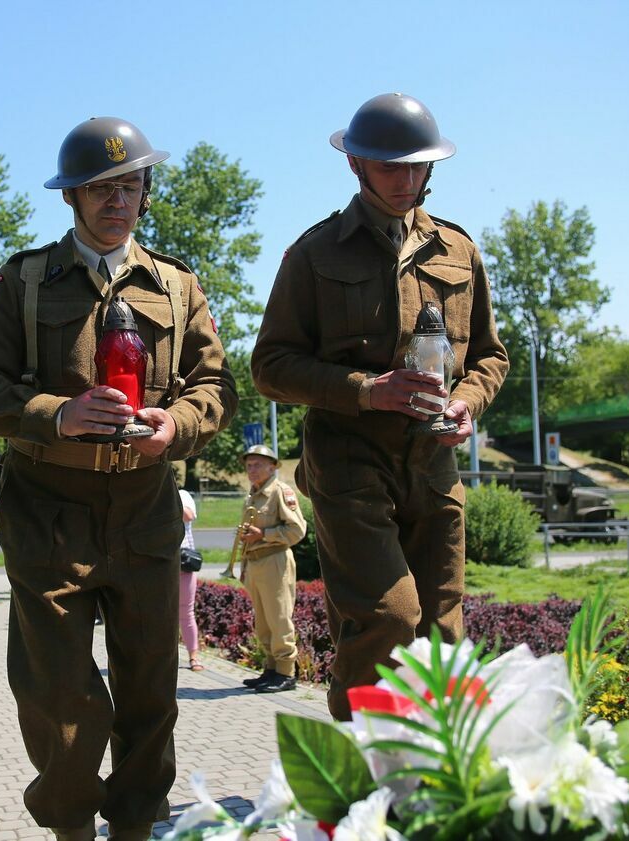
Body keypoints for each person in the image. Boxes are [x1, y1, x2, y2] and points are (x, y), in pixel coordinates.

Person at [0, 116, 236, 841]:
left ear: (146, 192)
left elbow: (216, 388)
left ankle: (138, 827)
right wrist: (56, 412)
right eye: (103, 188)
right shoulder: (25, 281)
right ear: (72, 196)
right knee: (61, 697)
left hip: (144, 511)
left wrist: (178, 426)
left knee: (151, 695)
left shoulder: (177, 287)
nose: (120, 200)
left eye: (131, 185)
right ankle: (72, 826)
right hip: (50, 515)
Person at [251, 93, 509, 721]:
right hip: (347, 462)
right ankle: (360, 776)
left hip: (433, 463)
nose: (406, 179)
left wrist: (468, 404)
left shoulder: (458, 250)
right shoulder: (314, 254)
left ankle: (430, 790)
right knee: (390, 617)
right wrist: (368, 390)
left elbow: (489, 357)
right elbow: (271, 366)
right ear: (357, 166)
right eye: (390, 166)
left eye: (417, 166)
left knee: (443, 637)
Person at [234, 445, 307, 694]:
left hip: (275, 561)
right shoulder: (252, 496)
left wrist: (264, 534)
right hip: (255, 563)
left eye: (257, 464)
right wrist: (244, 565)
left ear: (272, 466)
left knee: (279, 618)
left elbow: (297, 531)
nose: (251, 470)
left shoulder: (280, 492)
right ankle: (270, 669)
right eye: (249, 465)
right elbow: (247, 536)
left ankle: (286, 672)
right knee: (263, 622)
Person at [178, 488, 203, 672]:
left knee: (186, 612)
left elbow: (189, 515)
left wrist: (168, 496)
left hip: (183, 562)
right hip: (159, 563)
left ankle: (194, 655)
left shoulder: (183, 495)